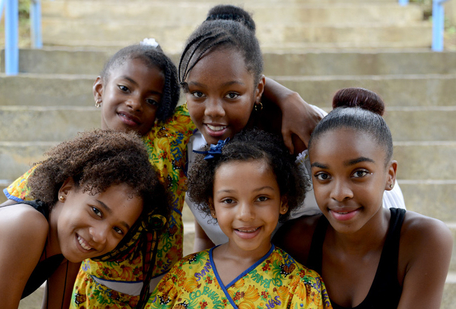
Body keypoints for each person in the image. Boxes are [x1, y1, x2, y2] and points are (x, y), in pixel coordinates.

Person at [2, 37, 321, 307]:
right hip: (99, 294)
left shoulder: (173, 132)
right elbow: (38, 232)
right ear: (100, 90)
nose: (135, 103)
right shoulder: (75, 172)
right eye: (125, 89)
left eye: (151, 99)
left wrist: (286, 96)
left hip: (164, 291)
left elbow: (216, 87)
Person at [181, 5, 406, 252]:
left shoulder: (306, 133)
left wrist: (287, 98)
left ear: (258, 89)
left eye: (232, 94)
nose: (213, 110)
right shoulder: (190, 144)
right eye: (198, 93)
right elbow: (206, 233)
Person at [273, 88, 453, 309]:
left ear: (390, 175)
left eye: (359, 173)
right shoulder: (295, 241)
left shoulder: (423, 240)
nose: (339, 193)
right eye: (323, 176)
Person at [147, 129, 333, 309]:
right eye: (229, 200)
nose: (245, 214)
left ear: (283, 202)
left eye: (261, 198)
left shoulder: (302, 286)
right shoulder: (184, 273)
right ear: (212, 207)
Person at [0, 129, 170, 309]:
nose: (100, 236)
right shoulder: (26, 224)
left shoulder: (67, 250)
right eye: (96, 211)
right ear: (66, 190)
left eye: (118, 230)